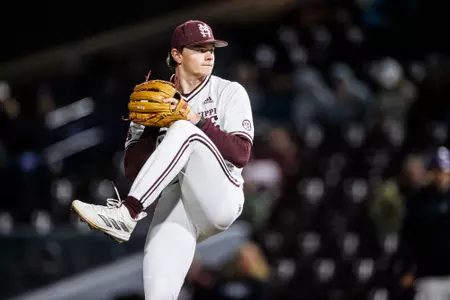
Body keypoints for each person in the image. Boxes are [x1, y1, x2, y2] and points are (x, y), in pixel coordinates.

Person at [71, 20, 254, 299]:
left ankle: (126, 214)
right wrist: (154, 128)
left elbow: (241, 154)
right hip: (178, 201)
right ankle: (127, 216)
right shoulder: (152, 100)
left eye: (212, 49)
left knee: (184, 129)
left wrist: (193, 119)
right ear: (177, 55)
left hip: (222, 194)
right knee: (157, 293)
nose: (209, 55)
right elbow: (132, 168)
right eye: (199, 48)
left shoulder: (228, 91)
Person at [396, 146, 450, 300]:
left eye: (445, 171)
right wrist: (407, 268)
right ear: (430, 173)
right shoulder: (418, 200)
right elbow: (408, 236)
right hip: (429, 275)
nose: (441, 176)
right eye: (437, 171)